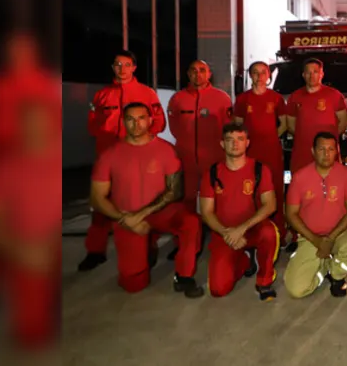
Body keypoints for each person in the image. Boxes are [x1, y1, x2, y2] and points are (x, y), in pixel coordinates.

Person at [89, 102, 204, 298]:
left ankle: (184, 276)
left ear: (150, 120)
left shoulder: (166, 150)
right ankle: (146, 248)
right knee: (133, 284)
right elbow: (97, 198)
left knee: (191, 222)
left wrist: (140, 215)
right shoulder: (110, 155)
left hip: (160, 211)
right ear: (123, 121)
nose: (136, 124)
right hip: (126, 216)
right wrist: (125, 219)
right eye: (131, 119)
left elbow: (175, 191)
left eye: (141, 118)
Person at [0, 97, 61, 350]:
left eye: (42, 122)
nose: (36, 128)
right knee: (31, 335)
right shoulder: (2, 169)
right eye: (29, 122)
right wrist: (21, 250)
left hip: (56, 247)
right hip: (27, 252)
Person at [79, 50, 167, 272]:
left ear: (134, 67)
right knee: (100, 206)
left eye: (127, 64)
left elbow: (159, 123)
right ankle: (95, 251)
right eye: (118, 64)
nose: (122, 69)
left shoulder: (146, 94)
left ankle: (149, 246)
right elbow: (92, 126)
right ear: (113, 67)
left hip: (138, 159)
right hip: (108, 158)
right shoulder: (101, 96)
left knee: (144, 204)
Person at [198, 122, 280, 301]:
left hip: (252, 228)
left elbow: (270, 205)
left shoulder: (260, 169)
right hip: (224, 232)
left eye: (240, 139)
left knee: (269, 232)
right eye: (230, 140)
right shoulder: (211, 173)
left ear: (247, 142)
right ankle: (245, 259)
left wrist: (240, 229)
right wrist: (227, 233)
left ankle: (264, 281)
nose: (235, 144)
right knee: (218, 290)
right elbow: (206, 212)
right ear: (222, 144)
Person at [284, 132, 347, 298]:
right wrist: (317, 240)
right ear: (313, 151)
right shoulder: (300, 177)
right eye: (321, 149)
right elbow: (290, 214)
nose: (326, 154)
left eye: (330, 149)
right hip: (309, 237)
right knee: (296, 290)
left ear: (336, 152)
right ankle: (323, 269)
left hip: (339, 234)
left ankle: (336, 275)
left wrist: (329, 239)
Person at [168, 60, 233, 214]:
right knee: (186, 200)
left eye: (202, 70)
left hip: (214, 158)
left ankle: (217, 233)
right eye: (194, 70)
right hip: (186, 158)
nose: (198, 74)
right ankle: (189, 234)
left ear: (209, 74)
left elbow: (228, 129)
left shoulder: (222, 98)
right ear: (188, 74)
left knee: (216, 198)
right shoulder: (177, 99)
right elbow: (174, 128)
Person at [233, 61, 288, 238]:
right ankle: (252, 230)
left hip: (271, 151)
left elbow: (284, 124)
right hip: (250, 153)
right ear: (250, 76)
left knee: (275, 189)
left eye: (263, 72)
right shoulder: (243, 99)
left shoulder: (276, 98)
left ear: (268, 76)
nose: (259, 76)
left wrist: (271, 137)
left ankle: (279, 228)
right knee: (251, 190)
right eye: (255, 72)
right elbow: (238, 126)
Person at [285, 58, 347, 172]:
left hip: (327, 154)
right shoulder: (295, 97)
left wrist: (328, 139)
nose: (311, 75)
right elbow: (291, 126)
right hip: (303, 154)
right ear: (303, 75)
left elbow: (343, 123)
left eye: (315, 72)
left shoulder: (335, 95)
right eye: (308, 72)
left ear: (322, 74)